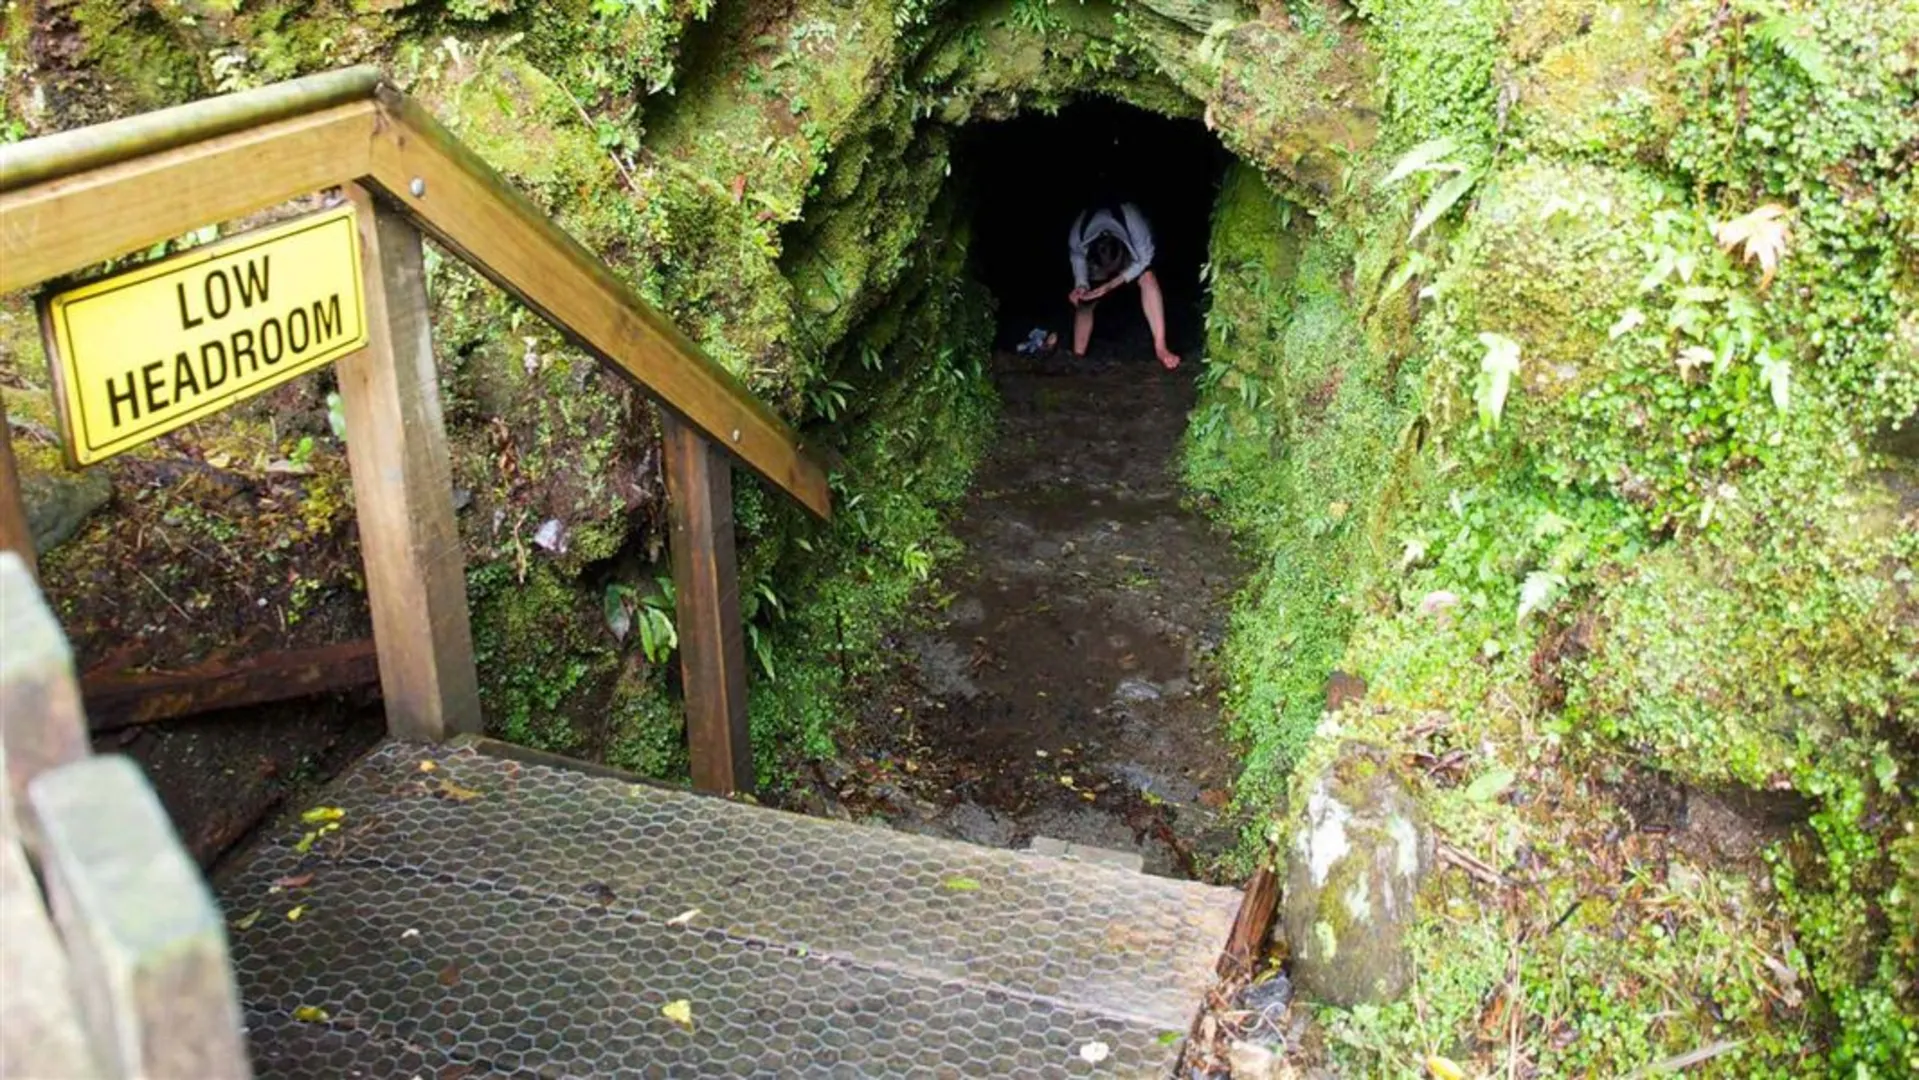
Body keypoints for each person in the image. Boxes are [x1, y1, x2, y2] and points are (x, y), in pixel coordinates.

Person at [1067, 202, 1179, 369]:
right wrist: (1081, 286)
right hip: (1096, 257)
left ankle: (1161, 348)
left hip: (1132, 249)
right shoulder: (1078, 236)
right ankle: (1078, 355)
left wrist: (1111, 285)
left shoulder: (1134, 224)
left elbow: (1145, 259)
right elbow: (1077, 259)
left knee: (1147, 277)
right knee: (1086, 299)